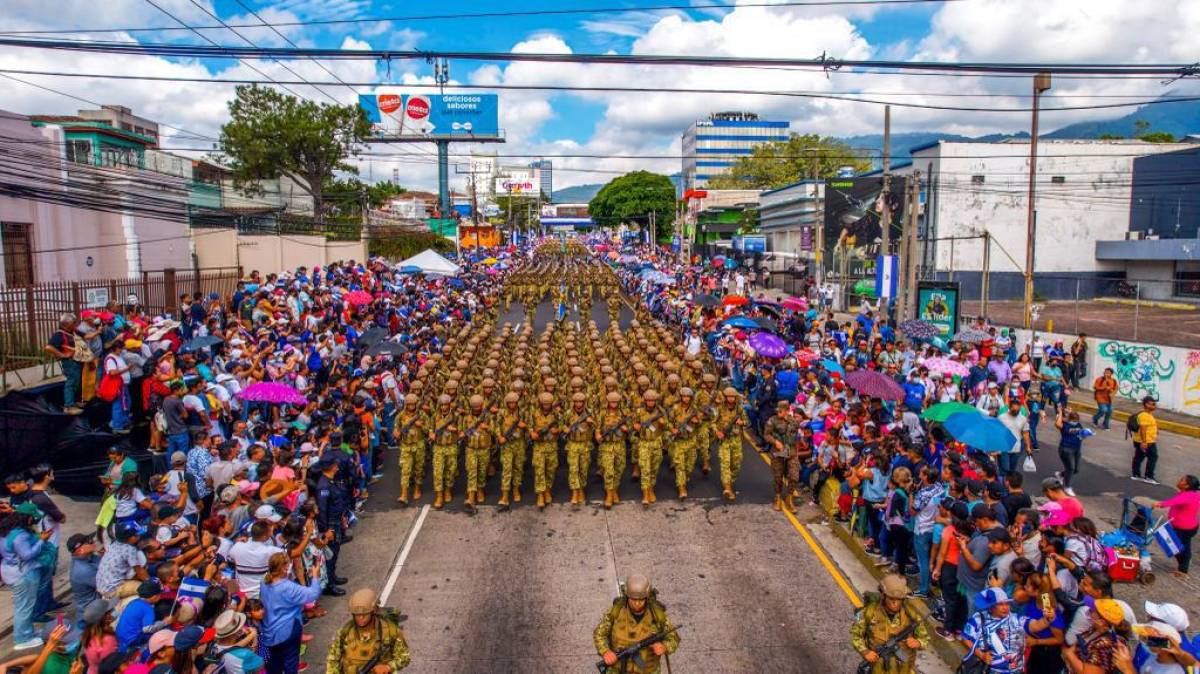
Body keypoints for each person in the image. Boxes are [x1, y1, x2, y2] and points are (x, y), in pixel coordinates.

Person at [593, 573, 680, 674]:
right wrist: (606, 651)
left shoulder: (657, 615)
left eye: (641, 600)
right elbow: (599, 634)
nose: (637, 604)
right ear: (627, 596)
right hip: (618, 670)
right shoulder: (616, 612)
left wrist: (664, 647)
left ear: (647, 597)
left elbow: (674, 638)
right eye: (633, 599)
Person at [960, 587, 1056, 673]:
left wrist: (1047, 619)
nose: (1005, 607)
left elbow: (1035, 626)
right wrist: (981, 655)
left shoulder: (1016, 619)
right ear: (991, 606)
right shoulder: (977, 620)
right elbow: (965, 638)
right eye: (1000, 604)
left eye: (1007, 603)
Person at [849, 574, 929, 674]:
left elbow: (924, 638)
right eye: (891, 598)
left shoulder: (911, 615)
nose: (895, 603)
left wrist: (918, 643)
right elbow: (856, 635)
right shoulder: (869, 612)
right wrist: (865, 652)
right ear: (883, 595)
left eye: (899, 599)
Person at [260, 552, 322, 674]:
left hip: (269, 632)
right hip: (288, 631)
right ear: (284, 568)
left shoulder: (264, 582)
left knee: (274, 666)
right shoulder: (287, 587)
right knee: (291, 665)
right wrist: (315, 576)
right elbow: (313, 594)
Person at [0, 503, 51, 650]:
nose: (34, 520)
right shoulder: (20, 535)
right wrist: (42, 540)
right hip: (24, 574)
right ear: (27, 518)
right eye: (33, 518)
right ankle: (22, 639)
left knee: (22, 606)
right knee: (24, 607)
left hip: (10, 571)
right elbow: (27, 555)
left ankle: (27, 632)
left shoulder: (6, 530)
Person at [326, 588, 411, 674]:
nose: (360, 618)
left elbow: (404, 657)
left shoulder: (390, 631)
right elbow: (332, 660)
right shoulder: (345, 632)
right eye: (357, 614)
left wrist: (389, 667)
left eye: (365, 614)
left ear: (373, 611)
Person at [1153, 475, 1199, 578]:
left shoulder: (1188, 496)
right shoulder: (1188, 494)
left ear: (1187, 485)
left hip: (1185, 528)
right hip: (1181, 526)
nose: (1179, 480)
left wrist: (1159, 504)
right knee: (1175, 546)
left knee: (1180, 548)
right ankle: (1184, 563)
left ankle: (1183, 570)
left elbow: (1173, 502)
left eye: (1182, 480)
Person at [1055, 408, 1087, 496]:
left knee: (1076, 469)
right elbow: (1058, 424)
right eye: (1074, 420)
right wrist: (1060, 412)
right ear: (1069, 419)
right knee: (1071, 468)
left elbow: (1081, 434)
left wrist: (1085, 434)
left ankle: (1061, 475)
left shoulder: (1079, 425)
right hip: (1066, 449)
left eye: (1077, 420)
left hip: (1077, 449)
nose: (1075, 422)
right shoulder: (1065, 425)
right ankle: (1067, 487)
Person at [1130, 396, 1160, 485]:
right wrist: (1144, 442)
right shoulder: (1144, 415)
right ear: (1146, 404)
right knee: (1153, 457)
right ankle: (1149, 477)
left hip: (1144, 440)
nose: (1155, 406)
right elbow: (1143, 429)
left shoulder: (1148, 414)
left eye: (1155, 404)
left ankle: (1136, 474)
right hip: (1147, 441)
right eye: (1153, 404)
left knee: (1139, 457)